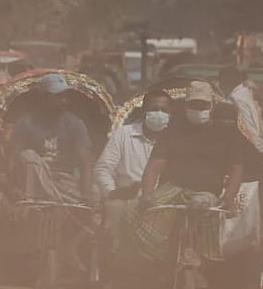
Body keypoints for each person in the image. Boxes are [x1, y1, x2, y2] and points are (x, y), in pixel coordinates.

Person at [9, 72, 94, 204]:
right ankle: (40, 200)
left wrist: (87, 193)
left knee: (98, 195)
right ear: (44, 97)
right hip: (31, 183)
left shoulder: (75, 123)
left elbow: (86, 161)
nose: (63, 101)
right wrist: (13, 187)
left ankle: (53, 198)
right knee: (29, 156)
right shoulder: (26, 122)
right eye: (57, 97)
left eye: (65, 96)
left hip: (63, 181)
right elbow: (13, 158)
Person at [94, 88, 170, 197]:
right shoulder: (123, 134)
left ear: (171, 114)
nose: (159, 113)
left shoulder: (176, 139)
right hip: (127, 199)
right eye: (154, 109)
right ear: (143, 111)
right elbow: (103, 169)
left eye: (164, 110)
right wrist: (113, 194)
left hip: (162, 202)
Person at [219, 66, 263, 158]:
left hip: (252, 151)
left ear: (223, 83)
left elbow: (247, 128)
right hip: (261, 148)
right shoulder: (246, 94)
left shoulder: (234, 99)